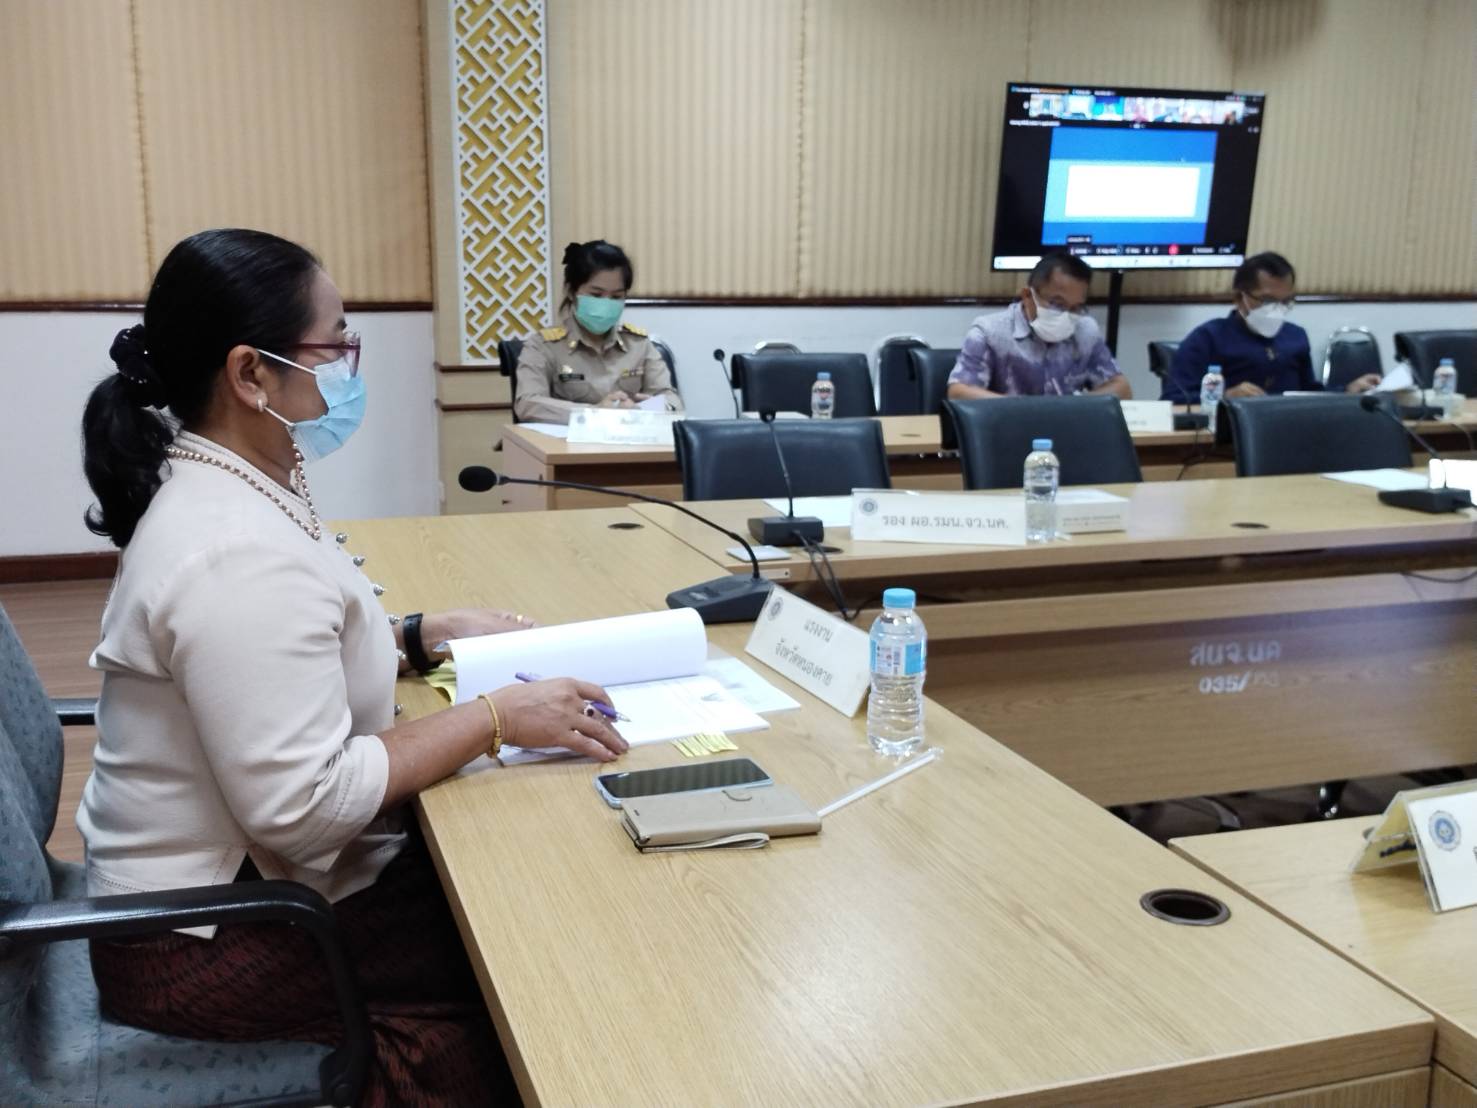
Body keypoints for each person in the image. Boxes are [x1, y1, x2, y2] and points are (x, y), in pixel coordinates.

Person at [78, 228, 629, 1107]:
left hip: (247, 893)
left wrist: (412, 636)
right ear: (250, 375)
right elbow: (305, 809)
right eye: (334, 342)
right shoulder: (230, 551)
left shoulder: (239, 479)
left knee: (519, 893)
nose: (348, 363)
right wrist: (491, 719)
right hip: (203, 940)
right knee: (530, 952)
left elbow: (286, 655)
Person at [1162, 252, 1381, 402]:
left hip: (1289, 430)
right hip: (1228, 438)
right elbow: (1173, 398)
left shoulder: (1295, 336)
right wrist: (1225, 396)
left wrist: (1347, 390)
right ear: (1239, 298)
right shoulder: (1208, 338)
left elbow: (1308, 393)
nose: (1277, 309)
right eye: (1267, 300)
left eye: (1285, 302)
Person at [514, 239, 682, 423]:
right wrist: (593, 413)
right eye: (596, 295)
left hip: (630, 438)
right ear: (571, 291)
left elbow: (672, 401)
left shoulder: (639, 344)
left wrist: (641, 410)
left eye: (616, 296)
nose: (606, 303)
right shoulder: (543, 346)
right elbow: (528, 404)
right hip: (568, 440)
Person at [947, 252, 1131, 400]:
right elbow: (959, 392)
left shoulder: (1085, 330)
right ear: (1028, 296)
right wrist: (1029, 411)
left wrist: (1076, 406)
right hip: (1007, 428)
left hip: (1067, 429)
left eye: (1075, 308)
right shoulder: (989, 331)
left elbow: (1121, 388)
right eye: (1057, 304)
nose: (1066, 316)